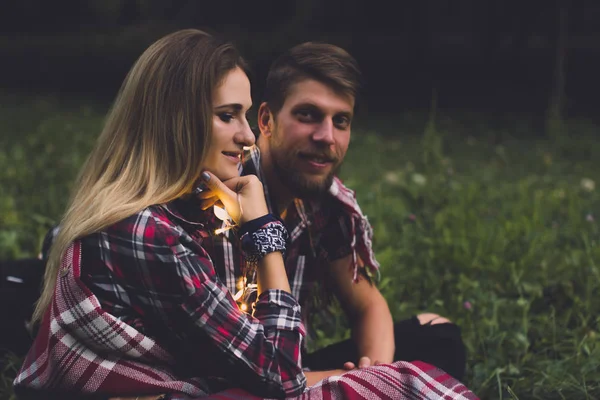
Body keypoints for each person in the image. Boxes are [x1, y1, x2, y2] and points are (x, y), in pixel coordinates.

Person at [13, 29, 307, 399]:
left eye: (245, 115)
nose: (248, 136)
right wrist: (264, 232)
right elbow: (283, 376)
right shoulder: (150, 232)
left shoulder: (181, 208)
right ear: (176, 121)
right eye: (227, 116)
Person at [197, 42, 467, 384]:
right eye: (308, 115)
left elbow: (367, 305)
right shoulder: (221, 192)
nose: (327, 137)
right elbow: (227, 367)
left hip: (294, 367)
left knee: (437, 333)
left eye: (341, 121)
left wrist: (376, 373)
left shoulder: (323, 202)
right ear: (265, 120)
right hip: (236, 379)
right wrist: (350, 381)